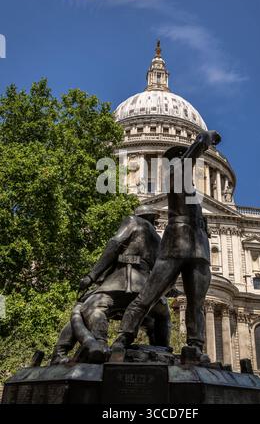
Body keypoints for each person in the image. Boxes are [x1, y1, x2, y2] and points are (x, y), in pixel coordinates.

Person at [111, 129, 221, 363]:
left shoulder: (193, 195)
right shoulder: (175, 175)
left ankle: (195, 346)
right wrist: (205, 139)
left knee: (196, 303)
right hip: (175, 247)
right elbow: (194, 150)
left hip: (198, 253)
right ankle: (123, 336)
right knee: (148, 294)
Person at [51, 205, 171, 364]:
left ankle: (93, 344)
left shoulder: (133, 221)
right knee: (162, 316)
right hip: (148, 289)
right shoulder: (158, 238)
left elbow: (114, 244)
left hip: (124, 282)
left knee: (85, 308)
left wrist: (92, 276)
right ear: (152, 218)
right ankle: (162, 350)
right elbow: (163, 267)